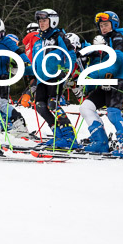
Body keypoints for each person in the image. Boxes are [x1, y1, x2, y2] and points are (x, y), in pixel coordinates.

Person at [77, 11, 123, 157]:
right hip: (107, 80)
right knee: (86, 107)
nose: (103, 28)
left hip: (121, 80)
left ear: (114, 24)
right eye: (101, 25)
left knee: (113, 112)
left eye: (106, 25)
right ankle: (100, 142)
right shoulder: (105, 41)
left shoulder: (118, 37)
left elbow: (117, 61)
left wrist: (94, 75)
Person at [30, 9, 78, 148]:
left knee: (53, 104)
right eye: (39, 21)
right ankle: (58, 134)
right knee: (40, 106)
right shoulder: (39, 40)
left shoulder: (59, 36)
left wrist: (67, 71)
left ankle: (69, 136)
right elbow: (35, 60)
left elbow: (71, 53)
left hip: (55, 77)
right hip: (41, 79)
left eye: (44, 21)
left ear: (53, 21)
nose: (41, 23)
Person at [0, 16, 31, 138]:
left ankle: (20, 124)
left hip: (3, 76)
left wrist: (25, 62)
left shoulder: (6, 41)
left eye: (1, 33)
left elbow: (18, 52)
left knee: (2, 104)